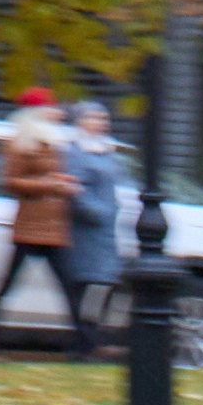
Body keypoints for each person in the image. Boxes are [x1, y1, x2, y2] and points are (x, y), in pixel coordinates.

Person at [0, 89, 97, 359]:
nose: (58, 112)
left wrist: (62, 183)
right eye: (51, 107)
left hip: (54, 227)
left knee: (68, 286)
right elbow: (10, 181)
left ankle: (83, 344)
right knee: (12, 286)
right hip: (31, 227)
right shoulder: (21, 142)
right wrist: (50, 185)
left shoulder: (52, 140)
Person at [65, 101, 124, 345]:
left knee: (107, 281)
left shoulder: (107, 151)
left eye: (103, 118)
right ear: (79, 121)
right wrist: (98, 211)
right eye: (93, 117)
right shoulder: (75, 152)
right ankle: (84, 339)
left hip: (107, 232)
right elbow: (75, 189)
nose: (100, 122)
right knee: (87, 283)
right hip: (85, 231)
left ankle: (91, 334)